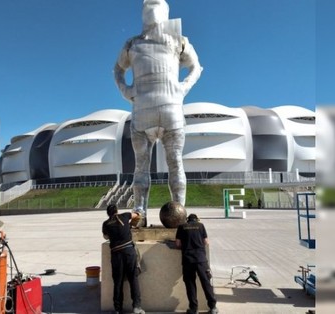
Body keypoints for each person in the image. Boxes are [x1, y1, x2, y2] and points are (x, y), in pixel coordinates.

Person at [114, 0, 202, 226]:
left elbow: (195, 67)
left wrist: (183, 88)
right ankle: (144, 214)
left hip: (163, 108)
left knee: (165, 164)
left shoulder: (176, 40)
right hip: (147, 110)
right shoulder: (134, 44)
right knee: (156, 165)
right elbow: (117, 70)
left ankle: (161, 214)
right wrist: (126, 91)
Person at [102, 204, 145, 314]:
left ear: (108, 213)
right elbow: (138, 215)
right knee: (133, 279)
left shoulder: (105, 224)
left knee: (118, 282)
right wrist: (130, 225)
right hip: (129, 252)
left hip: (116, 254)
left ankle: (118, 309)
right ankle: (137, 307)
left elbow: (106, 237)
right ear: (117, 210)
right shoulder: (125, 216)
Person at [175, 214, 218, 314]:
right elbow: (206, 242)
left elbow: (177, 244)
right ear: (196, 219)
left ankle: (194, 308)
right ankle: (213, 307)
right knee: (206, 283)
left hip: (188, 259)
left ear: (187, 220)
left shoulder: (182, 227)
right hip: (201, 259)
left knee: (190, 284)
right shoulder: (201, 226)